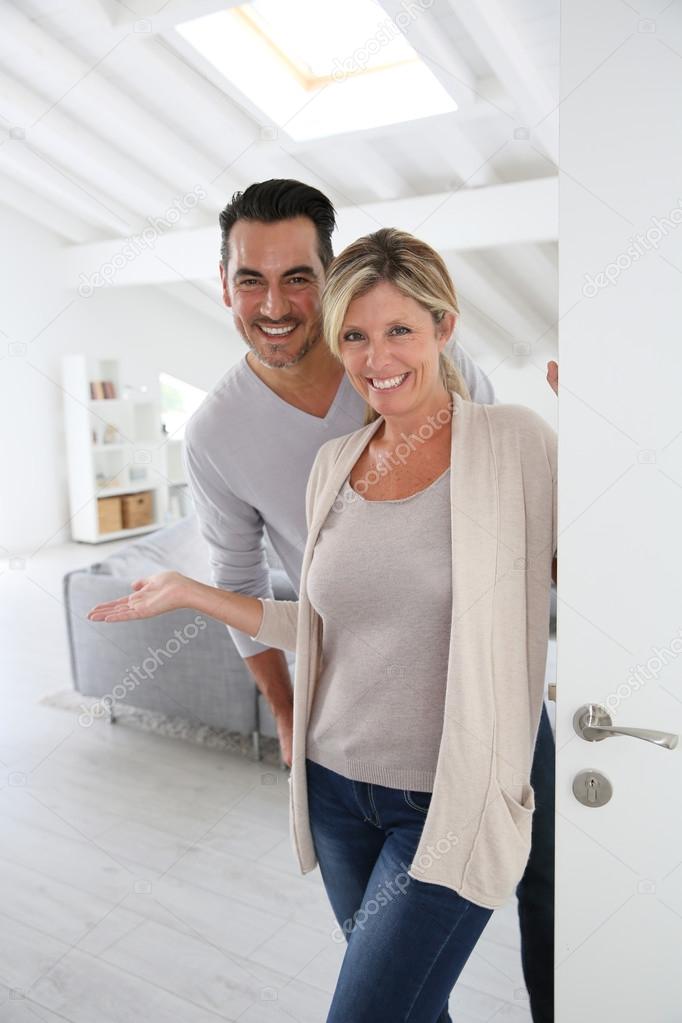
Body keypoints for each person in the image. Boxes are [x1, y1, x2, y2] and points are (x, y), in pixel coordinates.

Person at [88, 220, 557, 1022]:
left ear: (445, 327)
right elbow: (319, 623)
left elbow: (594, 573)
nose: (378, 359)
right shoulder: (336, 463)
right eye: (356, 336)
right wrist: (192, 591)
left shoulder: (512, 443)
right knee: (415, 1005)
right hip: (339, 793)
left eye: (401, 330)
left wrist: (630, 440)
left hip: (446, 796)